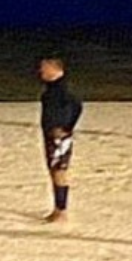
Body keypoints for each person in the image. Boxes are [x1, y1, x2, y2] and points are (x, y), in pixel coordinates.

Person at [38, 56, 84, 223]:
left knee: (59, 171)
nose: (40, 71)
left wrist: (67, 128)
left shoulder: (63, 89)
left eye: (44, 68)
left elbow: (78, 106)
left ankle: (61, 211)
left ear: (55, 69)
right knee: (53, 169)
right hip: (50, 135)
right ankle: (58, 208)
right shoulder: (51, 88)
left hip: (60, 137)